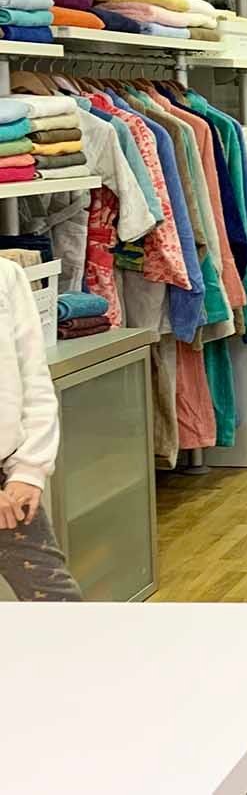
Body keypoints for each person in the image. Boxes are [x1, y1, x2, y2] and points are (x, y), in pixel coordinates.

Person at [0, 256, 82, 602]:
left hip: (9, 482)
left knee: (56, 604)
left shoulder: (7, 276)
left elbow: (34, 379)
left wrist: (30, 470)